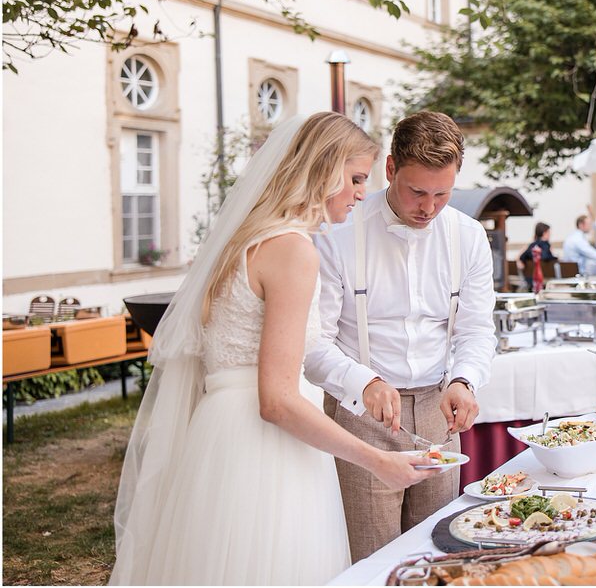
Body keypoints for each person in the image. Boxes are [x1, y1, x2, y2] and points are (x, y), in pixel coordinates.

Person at [111, 113, 435, 585]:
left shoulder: (244, 240)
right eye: (357, 178)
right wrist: (378, 461)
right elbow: (277, 401)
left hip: (217, 435)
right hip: (264, 451)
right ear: (324, 169)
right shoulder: (291, 249)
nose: (362, 193)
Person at [305, 111, 497, 562]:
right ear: (389, 170)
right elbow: (312, 344)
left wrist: (464, 380)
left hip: (438, 411)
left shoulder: (468, 237)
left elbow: (476, 328)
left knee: (439, 551)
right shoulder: (338, 233)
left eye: (442, 194)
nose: (428, 207)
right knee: (372, 556)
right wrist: (363, 383)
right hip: (359, 416)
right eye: (416, 192)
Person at [518, 222, 556, 289]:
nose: (550, 234)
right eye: (549, 232)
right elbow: (544, 257)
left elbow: (522, 257)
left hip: (530, 279)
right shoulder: (546, 245)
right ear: (544, 233)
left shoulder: (532, 245)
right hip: (544, 277)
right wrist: (554, 257)